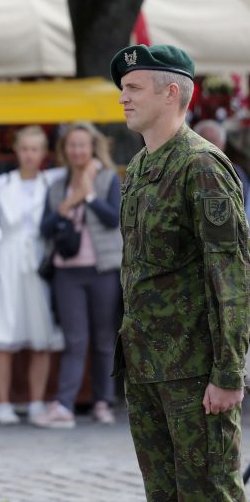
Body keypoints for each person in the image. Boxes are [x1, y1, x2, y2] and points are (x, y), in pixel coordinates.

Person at [112, 44, 250, 499]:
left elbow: (231, 276)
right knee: (164, 493)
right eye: (122, 88)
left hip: (193, 368)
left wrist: (229, 372)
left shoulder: (201, 166)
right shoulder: (139, 168)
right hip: (147, 365)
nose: (123, 97)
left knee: (211, 492)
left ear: (171, 93)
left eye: (133, 88)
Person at [34, 122, 123, 429]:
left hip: (103, 269)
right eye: (72, 145)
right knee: (74, 340)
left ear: (93, 147)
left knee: (103, 340)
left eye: (83, 145)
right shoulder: (57, 185)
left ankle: (102, 402)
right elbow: (43, 228)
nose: (77, 151)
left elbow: (115, 220)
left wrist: (88, 197)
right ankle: (64, 405)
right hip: (67, 271)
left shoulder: (109, 179)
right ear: (64, 150)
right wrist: (68, 204)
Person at [0, 125, 64, 425]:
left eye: (35, 149)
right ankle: (2, 403)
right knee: (5, 332)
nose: (29, 155)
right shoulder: (2, 183)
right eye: (25, 149)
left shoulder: (52, 182)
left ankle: (36, 401)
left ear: (43, 153)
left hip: (38, 260)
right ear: (17, 151)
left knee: (40, 335)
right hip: (7, 259)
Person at [193, 119, 250, 223]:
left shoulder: (236, 173)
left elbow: (245, 210)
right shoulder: (182, 170)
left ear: (223, 145)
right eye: (203, 140)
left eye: (213, 140)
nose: (208, 146)